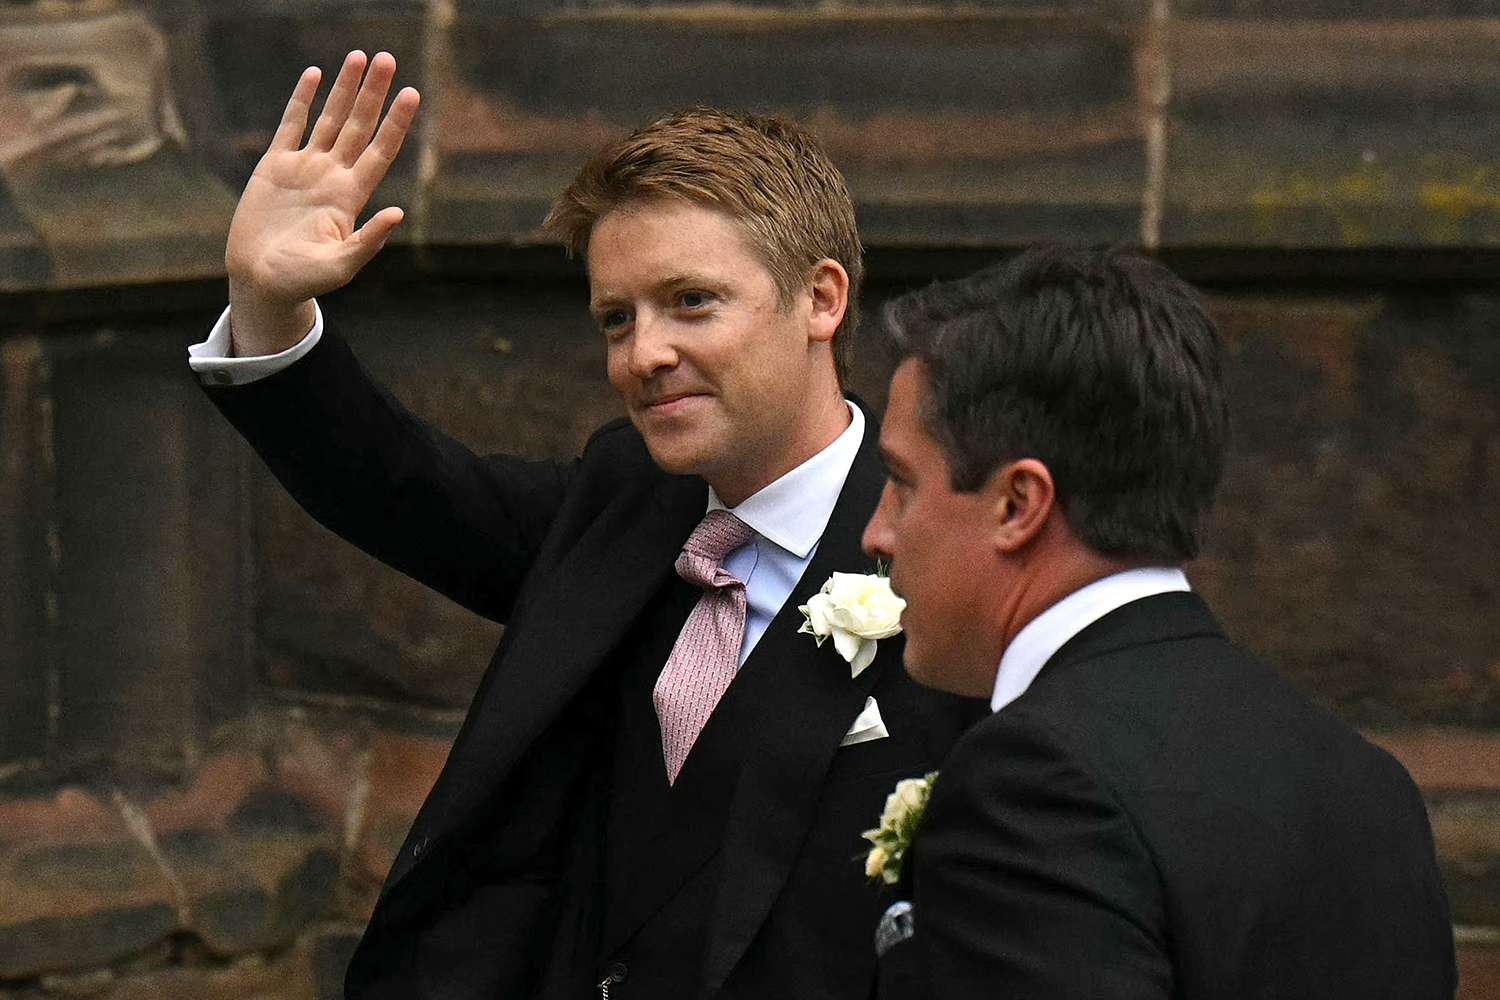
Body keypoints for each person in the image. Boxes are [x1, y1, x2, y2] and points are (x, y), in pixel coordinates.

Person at [187, 50, 981, 999]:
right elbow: (395, 485)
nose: (645, 353)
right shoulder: (617, 497)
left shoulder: (941, 549)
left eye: (691, 302)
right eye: (615, 319)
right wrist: (268, 304)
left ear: (820, 299)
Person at [861, 247, 1458, 999]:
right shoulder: (1366, 784)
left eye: (901, 482)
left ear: (1018, 505)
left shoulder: (1037, 786)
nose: (877, 533)